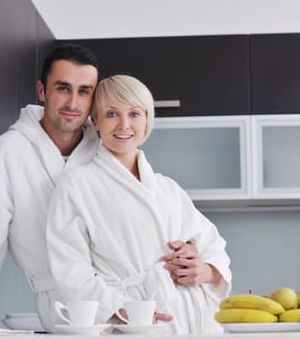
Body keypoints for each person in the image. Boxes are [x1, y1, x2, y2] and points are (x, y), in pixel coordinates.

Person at [0, 45, 206, 332]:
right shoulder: (7, 154)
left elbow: (150, 208)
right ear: (42, 91)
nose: (73, 103)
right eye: (63, 88)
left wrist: (192, 249)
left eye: (84, 92)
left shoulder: (105, 143)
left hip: (143, 309)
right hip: (70, 312)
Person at [46, 75, 232, 334]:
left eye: (134, 113)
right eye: (111, 114)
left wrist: (206, 270)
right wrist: (117, 309)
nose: (124, 125)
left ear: (146, 121)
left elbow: (212, 243)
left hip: (194, 320)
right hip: (135, 320)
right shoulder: (77, 185)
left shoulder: (167, 188)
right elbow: (69, 266)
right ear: (96, 121)